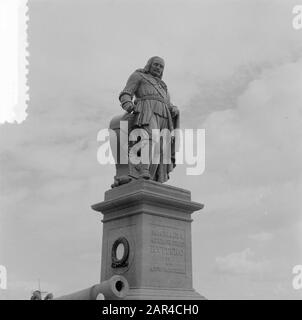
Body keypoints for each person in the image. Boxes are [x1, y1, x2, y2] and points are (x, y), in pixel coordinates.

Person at [118, 56, 179, 183]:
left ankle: (154, 176)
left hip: (164, 115)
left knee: (160, 147)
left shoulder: (162, 86)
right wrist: (127, 103)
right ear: (149, 65)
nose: (158, 68)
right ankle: (143, 170)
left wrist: (173, 108)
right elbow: (126, 92)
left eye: (161, 66)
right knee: (149, 138)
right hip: (146, 110)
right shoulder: (138, 75)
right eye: (156, 64)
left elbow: (168, 102)